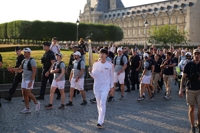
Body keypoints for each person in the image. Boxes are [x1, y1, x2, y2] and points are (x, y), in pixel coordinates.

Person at [8, 48, 40, 113]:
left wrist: (31, 81)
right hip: (24, 78)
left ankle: (36, 103)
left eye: (26, 52)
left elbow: (34, 72)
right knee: (24, 93)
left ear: (29, 53)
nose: (24, 53)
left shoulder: (32, 61)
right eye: (24, 52)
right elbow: (20, 69)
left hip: (29, 79)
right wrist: (13, 69)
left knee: (28, 92)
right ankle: (27, 108)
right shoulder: (24, 61)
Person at [88, 48, 114, 128]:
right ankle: (101, 119)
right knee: (98, 104)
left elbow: (111, 77)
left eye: (103, 53)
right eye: (101, 53)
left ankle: (100, 121)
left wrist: (111, 87)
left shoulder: (110, 65)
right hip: (97, 86)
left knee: (102, 103)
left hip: (105, 87)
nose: (102, 55)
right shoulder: (96, 64)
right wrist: (90, 71)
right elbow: (94, 75)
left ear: (106, 55)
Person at [179, 49, 200, 133]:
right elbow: (183, 78)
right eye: (196, 54)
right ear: (193, 55)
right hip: (190, 89)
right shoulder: (188, 64)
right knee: (191, 108)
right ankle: (192, 126)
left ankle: (199, 122)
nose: (197, 55)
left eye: (198, 54)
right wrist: (181, 89)